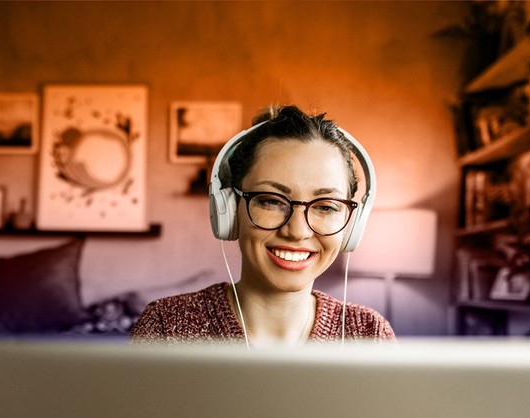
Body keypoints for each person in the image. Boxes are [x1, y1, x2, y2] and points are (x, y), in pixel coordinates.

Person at [130, 105, 395, 346]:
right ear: (231, 210)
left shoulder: (370, 334)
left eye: (325, 206)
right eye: (270, 201)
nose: (297, 231)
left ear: (352, 225)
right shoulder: (167, 328)